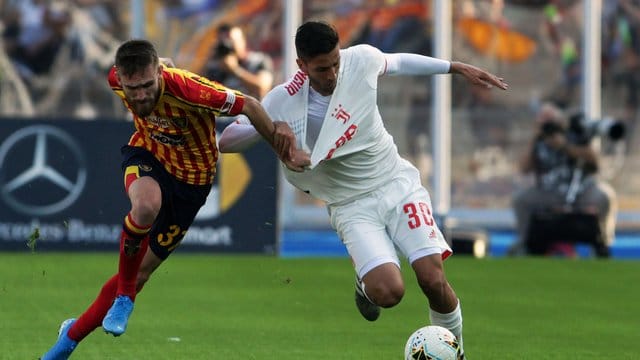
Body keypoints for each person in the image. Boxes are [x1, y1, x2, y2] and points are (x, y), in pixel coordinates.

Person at [218, 21, 508, 358]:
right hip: (350, 204)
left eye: (336, 63)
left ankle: (458, 353)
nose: (333, 74)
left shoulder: (361, 60)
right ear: (302, 66)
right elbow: (227, 141)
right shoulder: (284, 100)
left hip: (395, 183)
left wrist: (454, 67)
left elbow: (398, 62)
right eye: (322, 68)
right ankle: (366, 285)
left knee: (432, 279)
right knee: (389, 293)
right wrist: (271, 129)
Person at [41, 39, 297, 359]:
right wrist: (160, 60)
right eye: (133, 88)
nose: (141, 95)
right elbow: (150, 65)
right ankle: (90, 327)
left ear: (160, 74)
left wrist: (283, 149)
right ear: (120, 79)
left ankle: (73, 331)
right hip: (149, 156)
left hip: (192, 182)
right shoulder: (116, 80)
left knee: (140, 275)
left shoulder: (192, 90)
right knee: (145, 207)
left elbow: (250, 105)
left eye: (148, 85)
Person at [508, 102, 617, 257]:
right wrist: (535, 138)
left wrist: (564, 146)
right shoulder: (538, 141)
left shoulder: (574, 133)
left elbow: (594, 161)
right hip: (550, 192)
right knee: (521, 199)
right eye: (543, 120)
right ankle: (524, 242)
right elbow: (524, 168)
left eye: (550, 120)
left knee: (605, 196)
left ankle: (604, 242)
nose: (548, 125)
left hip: (581, 189)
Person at [204, 23, 274, 101]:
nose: (226, 44)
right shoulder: (216, 67)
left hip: (251, 111)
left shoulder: (259, 60)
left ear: (243, 41)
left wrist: (235, 70)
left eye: (230, 40)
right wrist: (208, 59)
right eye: (222, 41)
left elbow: (262, 88)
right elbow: (202, 93)